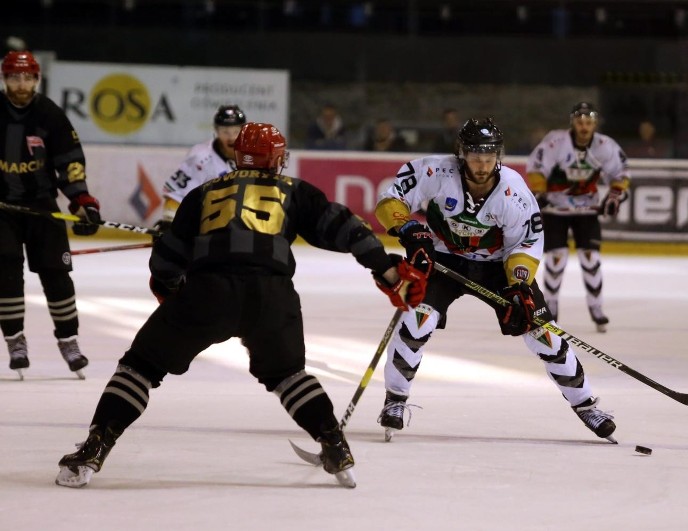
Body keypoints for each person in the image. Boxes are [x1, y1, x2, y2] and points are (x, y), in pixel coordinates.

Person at [54, 122, 428, 489]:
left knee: (140, 367)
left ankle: (94, 449)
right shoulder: (296, 191)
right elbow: (350, 230)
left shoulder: (202, 193)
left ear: (238, 156)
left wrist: (171, 293)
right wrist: (389, 271)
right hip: (272, 296)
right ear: (278, 159)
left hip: (208, 292)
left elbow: (166, 261)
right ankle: (335, 446)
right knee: (288, 376)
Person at [373, 117, 616, 444]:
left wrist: (519, 285)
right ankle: (396, 399)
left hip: (498, 268)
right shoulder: (435, 171)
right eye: (476, 156)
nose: (483, 164)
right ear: (462, 153)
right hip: (443, 260)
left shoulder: (513, 191)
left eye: (489, 157)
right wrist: (406, 228)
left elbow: (526, 244)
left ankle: (585, 405)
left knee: (545, 334)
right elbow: (391, 198)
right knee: (417, 321)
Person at [0, 50, 101, 379]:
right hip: (2, 209)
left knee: (57, 276)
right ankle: (15, 340)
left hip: (42, 206)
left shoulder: (50, 114)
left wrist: (82, 201)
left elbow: (70, 162)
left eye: (27, 77)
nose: (21, 83)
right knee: (6, 274)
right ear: (5, 78)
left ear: (36, 79)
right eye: (15, 76)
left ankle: (69, 341)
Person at [525, 102, 631, 332]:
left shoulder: (605, 145)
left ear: (595, 124)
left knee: (591, 259)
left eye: (589, 122)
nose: (584, 126)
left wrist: (615, 194)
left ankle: (596, 307)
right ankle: (550, 310)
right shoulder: (556, 142)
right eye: (580, 121)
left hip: (587, 211)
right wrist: (540, 192)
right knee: (556, 260)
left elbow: (620, 173)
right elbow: (536, 167)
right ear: (572, 122)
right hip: (556, 210)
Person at [155, 104, 246, 232]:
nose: (231, 137)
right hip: (208, 230)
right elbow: (176, 195)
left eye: (236, 131)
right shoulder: (201, 158)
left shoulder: (254, 155)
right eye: (225, 131)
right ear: (216, 131)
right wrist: (170, 223)